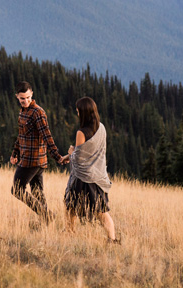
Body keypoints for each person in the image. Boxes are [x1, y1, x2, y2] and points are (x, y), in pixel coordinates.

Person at [62, 96, 118, 242]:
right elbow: (89, 152)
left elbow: (78, 158)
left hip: (83, 179)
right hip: (98, 177)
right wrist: (67, 156)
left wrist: (70, 153)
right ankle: (112, 239)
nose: (77, 113)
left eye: (78, 111)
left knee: (71, 207)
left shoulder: (81, 133)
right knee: (102, 212)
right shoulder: (102, 127)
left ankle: (70, 233)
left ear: (84, 113)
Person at [9, 81, 66, 226]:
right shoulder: (23, 112)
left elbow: (47, 136)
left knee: (16, 189)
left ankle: (47, 216)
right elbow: (21, 136)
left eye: (28, 97)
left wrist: (57, 156)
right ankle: (47, 225)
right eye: (22, 98)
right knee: (37, 193)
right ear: (17, 97)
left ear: (32, 94)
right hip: (30, 159)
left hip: (33, 161)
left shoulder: (38, 113)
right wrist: (15, 153)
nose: (26, 101)